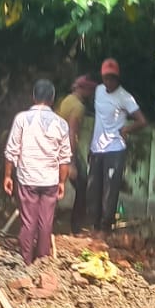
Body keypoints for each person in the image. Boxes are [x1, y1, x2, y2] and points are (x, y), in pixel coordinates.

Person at [3, 79, 72, 265]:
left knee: (28, 222)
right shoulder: (61, 124)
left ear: (33, 97)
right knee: (46, 222)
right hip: (50, 181)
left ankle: (26, 262)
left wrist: (8, 176)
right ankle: (42, 262)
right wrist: (62, 182)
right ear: (52, 99)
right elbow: (65, 158)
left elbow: (11, 150)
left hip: (27, 179)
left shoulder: (21, 119)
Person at [88, 58, 146, 232]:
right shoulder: (98, 90)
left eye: (112, 78)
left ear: (117, 78)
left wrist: (126, 129)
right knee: (94, 189)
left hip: (115, 149)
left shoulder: (124, 97)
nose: (109, 81)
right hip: (97, 148)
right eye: (106, 77)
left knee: (110, 191)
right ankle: (95, 226)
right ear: (102, 77)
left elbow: (142, 121)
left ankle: (106, 228)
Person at [57, 74, 96, 234]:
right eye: (90, 90)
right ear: (84, 90)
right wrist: (71, 162)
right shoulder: (78, 107)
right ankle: (77, 227)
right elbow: (72, 133)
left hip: (56, 147)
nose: (91, 94)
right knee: (83, 186)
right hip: (67, 149)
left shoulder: (66, 100)